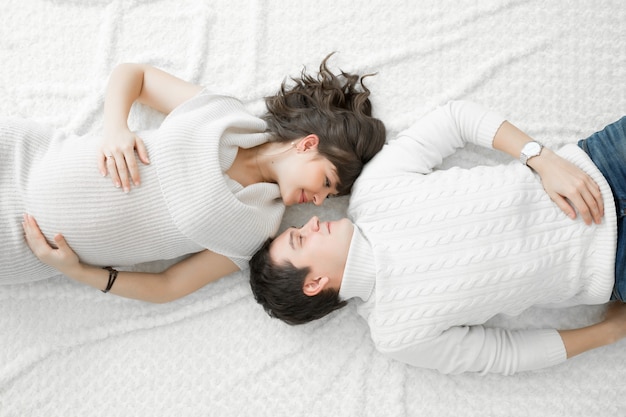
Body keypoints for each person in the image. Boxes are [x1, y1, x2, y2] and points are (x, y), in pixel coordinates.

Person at [248, 100, 626, 375]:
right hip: (615, 267)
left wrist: (541, 159)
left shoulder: (373, 190)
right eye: (301, 239)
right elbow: (505, 355)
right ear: (315, 283)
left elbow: (454, 120)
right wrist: (606, 333)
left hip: (602, 165)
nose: (312, 222)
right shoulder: (397, 335)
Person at [8, 55, 386, 302]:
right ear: (307, 145)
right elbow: (133, 75)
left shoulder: (255, 230)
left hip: (23, 246)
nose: (319, 202)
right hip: (24, 155)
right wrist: (115, 129)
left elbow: (169, 286)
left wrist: (80, 273)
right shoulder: (223, 115)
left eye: (328, 196)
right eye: (326, 182)